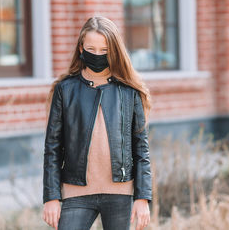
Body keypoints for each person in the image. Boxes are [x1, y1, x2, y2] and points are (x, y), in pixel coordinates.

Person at [42, 16, 153, 230]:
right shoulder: (65, 90)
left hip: (120, 193)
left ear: (114, 51)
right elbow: (52, 148)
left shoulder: (130, 92)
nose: (97, 55)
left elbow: (141, 150)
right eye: (91, 48)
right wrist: (51, 197)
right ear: (81, 47)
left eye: (104, 51)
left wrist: (142, 198)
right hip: (76, 192)